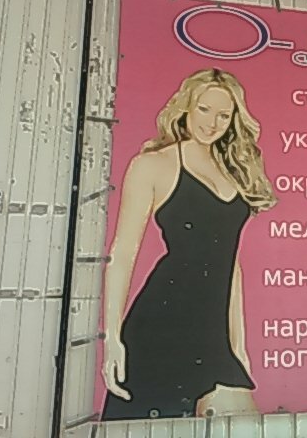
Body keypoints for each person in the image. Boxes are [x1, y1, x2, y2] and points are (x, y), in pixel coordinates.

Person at [101, 68, 276, 420]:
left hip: (213, 333)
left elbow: (230, 264)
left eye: (223, 115)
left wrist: (238, 345)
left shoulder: (233, 171)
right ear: (186, 107)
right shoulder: (153, 165)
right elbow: (122, 256)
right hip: (162, 325)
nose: (212, 123)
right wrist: (112, 339)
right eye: (204, 109)